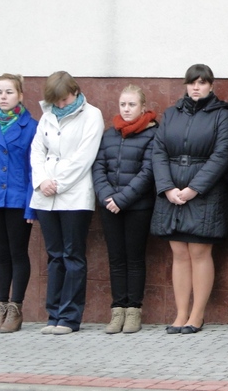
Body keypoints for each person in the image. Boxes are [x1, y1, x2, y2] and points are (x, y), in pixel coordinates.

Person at [151, 64, 228, 335]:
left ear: (211, 85)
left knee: (199, 251)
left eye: (202, 82)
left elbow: (221, 154)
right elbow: (158, 151)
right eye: (192, 82)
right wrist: (167, 187)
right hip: (172, 191)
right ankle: (180, 314)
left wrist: (195, 188)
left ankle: (197, 315)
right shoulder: (171, 113)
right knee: (178, 252)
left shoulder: (222, 114)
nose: (196, 87)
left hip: (205, 192)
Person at [30, 71, 104, 335]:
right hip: (45, 196)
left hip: (74, 196)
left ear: (75, 91)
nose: (60, 105)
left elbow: (84, 157)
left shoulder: (92, 115)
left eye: (64, 99)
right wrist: (42, 181)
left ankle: (70, 317)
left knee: (73, 255)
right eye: (56, 101)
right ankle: (53, 315)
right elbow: (37, 150)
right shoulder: (47, 115)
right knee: (54, 256)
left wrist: (58, 183)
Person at [92, 85, 158, 334]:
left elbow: (148, 172)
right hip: (109, 206)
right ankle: (117, 309)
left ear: (143, 107)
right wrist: (107, 196)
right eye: (123, 104)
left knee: (134, 258)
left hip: (137, 207)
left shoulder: (152, 133)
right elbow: (99, 167)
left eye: (132, 104)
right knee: (116, 259)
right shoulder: (110, 134)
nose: (127, 109)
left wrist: (122, 199)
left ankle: (133, 311)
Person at [0, 74, 38, 333]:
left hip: (17, 199)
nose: (3, 97)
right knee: (1, 254)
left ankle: (15, 307)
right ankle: (1, 304)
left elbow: (34, 169)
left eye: (9, 92)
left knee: (17, 253)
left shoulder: (31, 126)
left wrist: (31, 205)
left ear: (21, 96)